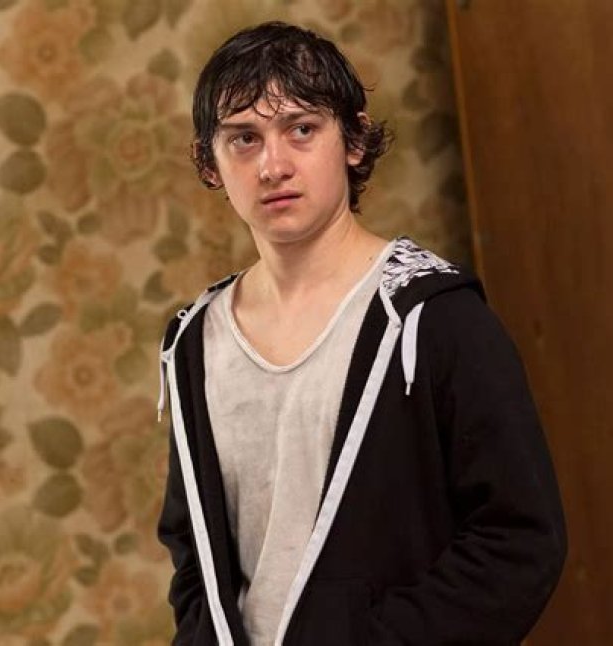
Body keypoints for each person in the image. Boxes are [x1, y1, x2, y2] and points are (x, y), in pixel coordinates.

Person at [156, 21, 566, 646]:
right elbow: (194, 560)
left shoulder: (436, 318)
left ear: (352, 139)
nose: (273, 165)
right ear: (209, 164)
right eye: (244, 138)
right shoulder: (195, 341)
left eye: (301, 129)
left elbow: (521, 541)